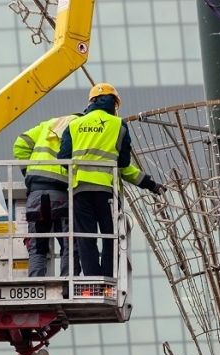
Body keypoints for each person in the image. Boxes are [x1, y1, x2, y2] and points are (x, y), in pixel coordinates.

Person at [58, 83, 165, 277]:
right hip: (107, 191)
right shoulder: (118, 125)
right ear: (115, 104)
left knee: (85, 237)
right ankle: (107, 278)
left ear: (91, 101)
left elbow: (63, 158)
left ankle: (92, 279)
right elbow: (123, 163)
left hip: (80, 190)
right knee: (111, 237)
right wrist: (151, 184)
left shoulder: (74, 125)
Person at [13, 114, 81, 278]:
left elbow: (20, 144)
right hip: (60, 193)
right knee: (69, 244)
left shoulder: (48, 124)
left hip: (36, 192)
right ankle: (67, 283)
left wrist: (29, 171)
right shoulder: (80, 127)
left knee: (37, 247)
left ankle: (36, 283)